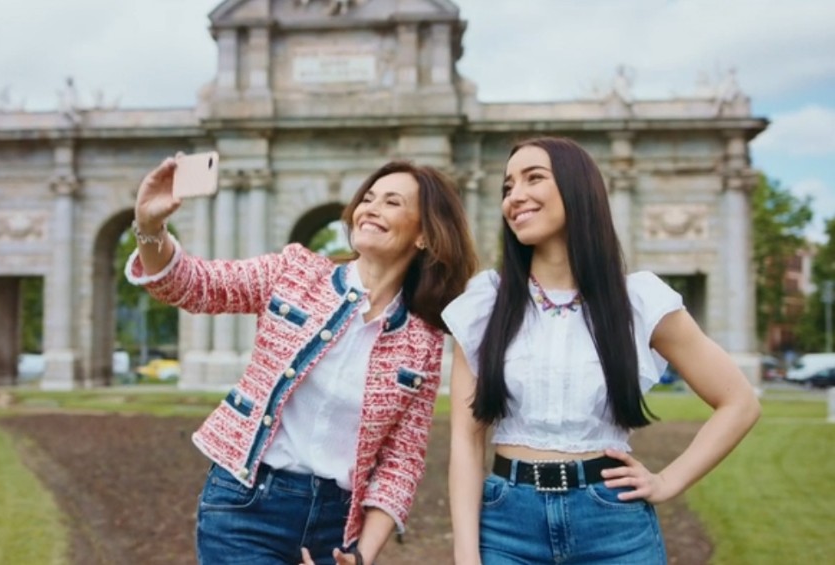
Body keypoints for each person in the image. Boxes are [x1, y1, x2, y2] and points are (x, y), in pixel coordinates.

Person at [125, 154, 478, 565]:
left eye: (392, 202)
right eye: (369, 197)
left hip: (336, 530)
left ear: (424, 235)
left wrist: (361, 557)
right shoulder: (294, 272)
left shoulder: (425, 339)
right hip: (246, 508)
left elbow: (401, 462)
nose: (371, 208)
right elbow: (191, 286)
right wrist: (149, 227)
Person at [444, 137, 761, 565]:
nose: (515, 196)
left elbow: (739, 402)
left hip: (613, 525)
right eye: (507, 187)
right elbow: (466, 439)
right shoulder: (486, 302)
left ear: (578, 189)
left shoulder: (640, 301)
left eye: (533, 178)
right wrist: (466, 555)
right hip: (506, 527)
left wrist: (668, 481)